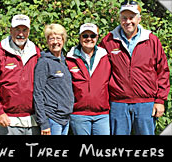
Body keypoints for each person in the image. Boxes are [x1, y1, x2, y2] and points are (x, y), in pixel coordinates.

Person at [99, 0, 170, 135]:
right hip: (118, 104)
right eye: (124, 18)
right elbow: (100, 72)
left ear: (139, 19)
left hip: (146, 103)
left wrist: (160, 100)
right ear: (120, 19)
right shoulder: (108, 41)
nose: (128, 21)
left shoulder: (151, 40)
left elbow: (163, 71)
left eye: (131, 17)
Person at [0, 14, 41, 135]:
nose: (21, 33)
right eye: (17, 29)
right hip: (8, 121)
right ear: (10, 30)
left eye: (24, 30)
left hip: (34, 121)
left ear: (29, 31)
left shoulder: (36, 53)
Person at [66, 23, 111, 135]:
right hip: (79, 114)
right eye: (85, 36)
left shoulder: (105, 56)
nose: (89, 39)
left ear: (97, 38)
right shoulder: (70, 58)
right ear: (80, 37)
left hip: (102, 114)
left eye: (92, 36)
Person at [33, 24, 74, 135]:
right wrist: (43, 122)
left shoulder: (64, 62)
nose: (55, 42)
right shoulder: (44, 63)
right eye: (51, 39)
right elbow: (38, 93)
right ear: (47, 41)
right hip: (52, 119)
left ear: (63, 40)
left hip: (65, 118)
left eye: (58, 38)